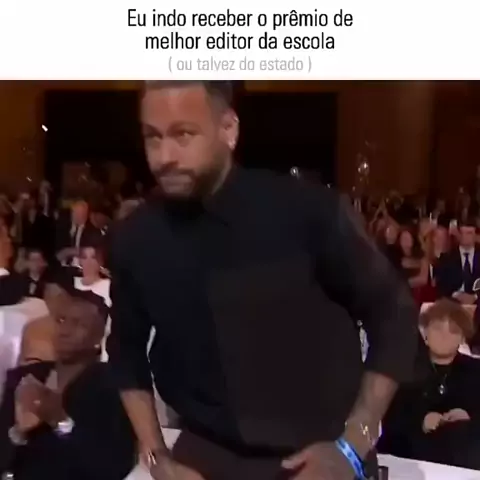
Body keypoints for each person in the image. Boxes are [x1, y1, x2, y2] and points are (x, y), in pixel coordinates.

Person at [107, 80, 419, 480]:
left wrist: (354, 444)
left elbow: (393, 313)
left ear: (228, 129)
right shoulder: (136, 237)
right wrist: (156, 458)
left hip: (319, 459)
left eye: (183, 134)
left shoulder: (308, 211)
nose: (164, 156)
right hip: (201, 458)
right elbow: (126, 351)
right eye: (153, 137)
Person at [0, 288, 136, 480]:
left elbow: (113, 467)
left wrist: (61, 422)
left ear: (98, 337)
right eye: (61, 320)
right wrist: (18, 432)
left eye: (79, 324)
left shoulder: (113, 385)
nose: (64, 331)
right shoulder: (24, 377)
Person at [379, 299, 480, 470]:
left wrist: (468, 418)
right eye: (437, 328)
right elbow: (389, 420)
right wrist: (421, 421)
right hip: (408, 458)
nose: (444, 335)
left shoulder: (476, 371)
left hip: (461, 461)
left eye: (453, 330)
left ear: (462, 338)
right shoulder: (404, 368)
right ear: (425, 333)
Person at [436, 217, 480, 304]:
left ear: (475, 236)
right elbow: (441, 286)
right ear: (458, 235)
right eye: (462, 233)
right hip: (453, 304)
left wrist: (475, 297)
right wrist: (456, 295)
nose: (465, 237)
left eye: (469, 233)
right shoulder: (446, 258)